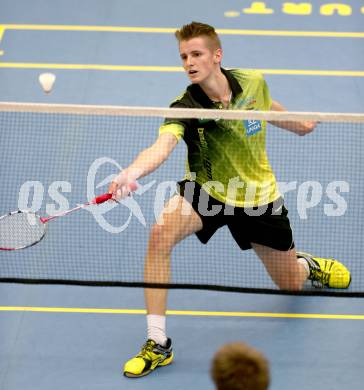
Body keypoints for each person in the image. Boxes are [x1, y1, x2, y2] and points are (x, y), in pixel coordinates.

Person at [108, 21, 351, 378]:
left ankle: (305, 265)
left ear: (216, 55)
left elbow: (263, 105)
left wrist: (296, 124)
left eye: (196, 54)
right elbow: (162, 146)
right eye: (183, 57)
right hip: (208, 191)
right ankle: (158, 343)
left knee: (291, 285)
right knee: (160, 235)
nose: (189, 62)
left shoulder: (252, 80)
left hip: (258, 198)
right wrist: (131, 173)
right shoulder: (185, 106)